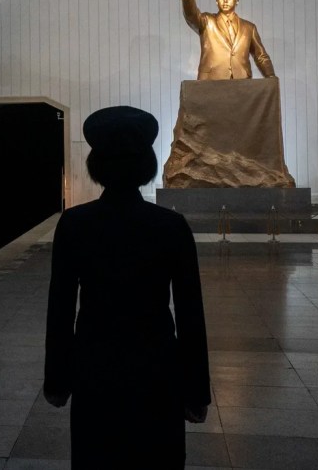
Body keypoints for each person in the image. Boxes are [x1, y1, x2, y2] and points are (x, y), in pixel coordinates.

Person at [44, 106, 210, 468]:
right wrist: (197, 390)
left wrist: (57, 380)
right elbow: (189, 312)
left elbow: (59, 309)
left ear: (97, 166)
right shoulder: (171, 226)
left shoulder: (75, 224)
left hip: (95, 369)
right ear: (146, 164)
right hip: (157, 370)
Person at [181, 0, 275, 80]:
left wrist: (270, 76)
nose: (225, 1)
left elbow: (261, 56)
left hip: (242, 82)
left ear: (237, 1)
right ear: (217, 1)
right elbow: (191, 14)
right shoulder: (206, 21)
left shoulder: (249, 28)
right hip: (211, 81)